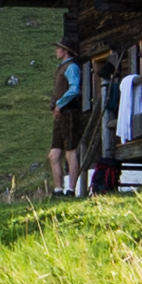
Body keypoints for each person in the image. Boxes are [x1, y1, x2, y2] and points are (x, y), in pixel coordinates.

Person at [51, 39, 89, 195]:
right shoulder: (62, 68)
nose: (56, 51)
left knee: (70, 152)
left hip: (70, 113)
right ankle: (58, 189)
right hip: (61, 115)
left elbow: (74, 89)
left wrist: (60, 103)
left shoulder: (71, 67)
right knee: (54, 155)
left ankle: (71, 190)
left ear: (65, 51)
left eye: (59, 48)